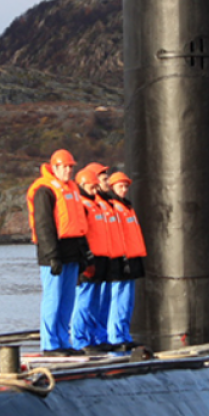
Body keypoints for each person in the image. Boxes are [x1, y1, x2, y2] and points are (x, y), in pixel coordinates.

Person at [27, 150, 89, 355]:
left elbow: (78, 223)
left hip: (71, 252)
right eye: (64, 167)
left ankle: (63, 341)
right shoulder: (44, 191)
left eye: (71, 167)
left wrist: (83, 254)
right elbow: (44, 226)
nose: (68, 171)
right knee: (53, 299)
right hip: (53, 254)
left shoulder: (71, 190)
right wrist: (52, 256)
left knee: (67, 300)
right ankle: (50, 344)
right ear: (54, 167)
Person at [70, 165, 119, 353]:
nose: (97, 188)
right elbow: (81, 234)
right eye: (93, 185)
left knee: (96, 301)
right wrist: (86, 259)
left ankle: (96, 337)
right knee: (85, 301)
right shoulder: (82, 203)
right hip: (89, 260)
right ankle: (81, 339)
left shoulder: (97, 203)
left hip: (102, 258)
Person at [106, 171, 147, 348]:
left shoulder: (127, 206)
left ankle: (123, 335)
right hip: (121, 260)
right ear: (113, 187)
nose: (124, 189)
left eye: (125, 186)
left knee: (127, 301)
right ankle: (115, 336)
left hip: (131, 258)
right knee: (118, 299)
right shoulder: (114, 207)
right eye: (120, 186)